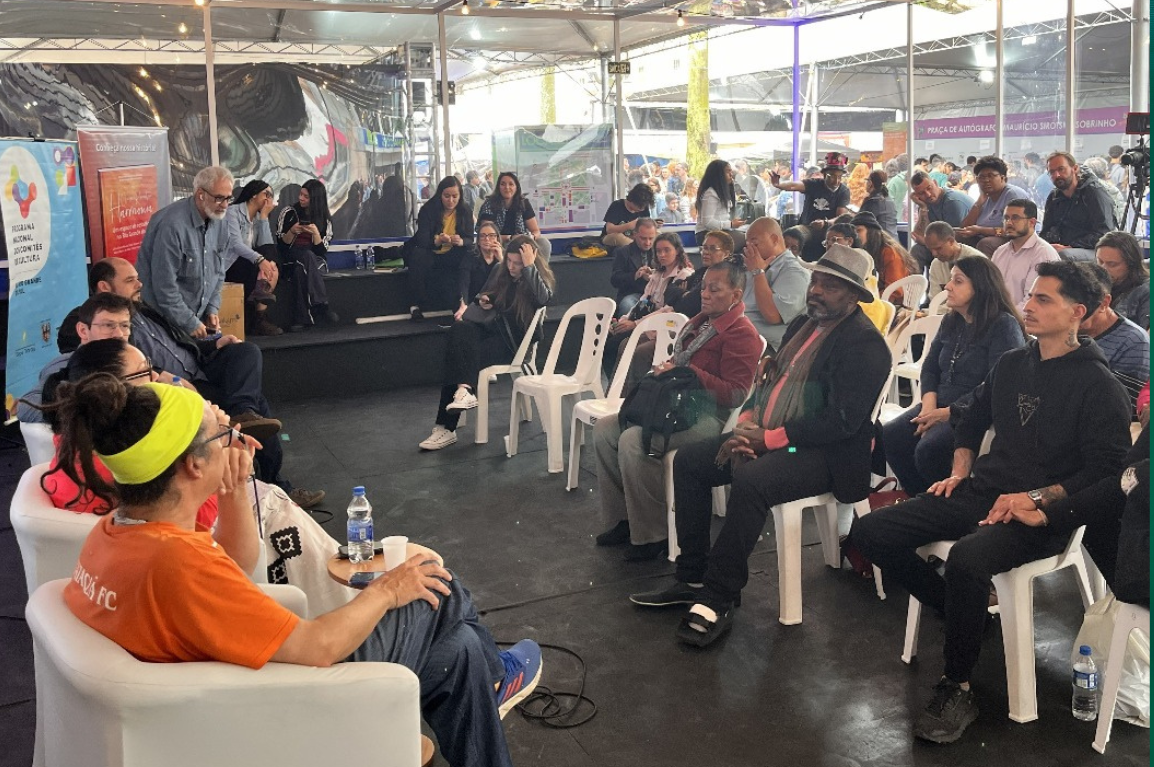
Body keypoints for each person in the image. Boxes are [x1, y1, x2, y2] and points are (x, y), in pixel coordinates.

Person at [54, 375, 541, 767]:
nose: (233, 440)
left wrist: (234, 487)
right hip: (286, 710)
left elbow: (238, 564)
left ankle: (488, 676)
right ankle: (500, 678)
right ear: (191, 467)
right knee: (438, 582)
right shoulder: (177, 564)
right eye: (222, 436)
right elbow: (319, 647)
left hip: (229, 699)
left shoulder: (118, 536)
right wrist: (389, 589)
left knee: (459, 657)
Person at [852, 259, 1132, 745]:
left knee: (967, 558)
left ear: (1076, 313)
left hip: (1041, 514)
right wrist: (960, 471)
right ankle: (959, 609)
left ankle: (957, 684)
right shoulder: (1012, 364)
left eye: (1044, 299)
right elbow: (968, 416)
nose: (1029, 305)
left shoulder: (1099, 386)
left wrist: (1037, 498)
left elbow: (1105, 475)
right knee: (871, 532)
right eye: (1031, 296)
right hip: (984, 491)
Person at [630, 244, 891, 647]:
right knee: (690, 462)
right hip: (775, 436)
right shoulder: (804, 323)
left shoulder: (865, 345)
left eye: (831, 286)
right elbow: (767, 385)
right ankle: (692, 575)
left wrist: (769, 440)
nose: (817, 290)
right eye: (816, 280)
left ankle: (719, 595)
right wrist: (748, 425)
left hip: (826, 454)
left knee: (751, 480)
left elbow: (840, 421)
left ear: (855, 295)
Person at [77, 258, 325, 509]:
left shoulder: (143, 310)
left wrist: (215, 343)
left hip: (201, 367)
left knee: (246, 352)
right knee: (256, 403)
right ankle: (273, 488)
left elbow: (180, 342)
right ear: (104, 287)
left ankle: (246, 417)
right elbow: (85, 363)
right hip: (179, 392)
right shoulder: (93, 324)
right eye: (130, 280)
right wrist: (167, 378)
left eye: (137, 278)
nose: (139, 284)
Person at [593, 261, 762, 562]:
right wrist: (670, 371)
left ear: (736, 295)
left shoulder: (741, 334)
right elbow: (680, 366)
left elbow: (735, 393)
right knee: (606, 429)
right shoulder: (697, 323)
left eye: (715, 289)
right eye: (704, 287)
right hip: (677, 406)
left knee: (634, 441)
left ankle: (653, 535)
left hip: (709, 418)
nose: (705, 294)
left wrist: (689, 374)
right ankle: (625, 520)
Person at [883, 256, 1026, 494]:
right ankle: (918, 498)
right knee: (892, 436)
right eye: (950, 280)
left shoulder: (1003, 325)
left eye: (957, 281)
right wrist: (929, 407)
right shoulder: (952, 320)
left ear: (980, 287)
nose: (947, 286)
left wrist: (946, 413)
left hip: (975, 410)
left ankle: (944, 505)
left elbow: (997, 385)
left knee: (928, 449)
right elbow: (929, 367)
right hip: (938, 404)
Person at [420, 236, 555, 451]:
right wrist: (485, 300)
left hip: (514, 346)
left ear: (531, 260)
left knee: (460, 355)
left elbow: (543, 298)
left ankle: (445, 426)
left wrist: (529, 268)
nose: (511, 267)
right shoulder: (501, 272)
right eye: (509, 261)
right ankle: (463, 392)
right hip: (491, 332)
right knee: (459, 331)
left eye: (518, 263)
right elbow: (487, 296)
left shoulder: (538, 279)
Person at [136, 166, 233, 339]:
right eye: (219, 198)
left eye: (228, 198)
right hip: (162, 322)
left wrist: (212, 308)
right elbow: (164, 287)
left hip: (197, 319)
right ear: (200, 194)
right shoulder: (172, 226)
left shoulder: (221, 222)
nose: (225, 205)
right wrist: (188, 322)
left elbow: (219, 272)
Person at [603, 233, 696, 378]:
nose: (662, 255)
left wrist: (635, 324)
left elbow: (669, 309)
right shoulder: (657, 274)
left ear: (677, 251)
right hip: (647, 323)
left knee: (623, 346)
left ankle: (628, 391)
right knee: (609, 341)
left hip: (665, 327)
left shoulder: (684, 275)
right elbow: (643, 301)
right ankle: (617, 389)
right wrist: (623, 320)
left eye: (666, 250)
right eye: (658, 251)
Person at [1078, 263, 1149, 408]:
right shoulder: (1058, 330)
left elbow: (1122, 408)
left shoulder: (1133, 342)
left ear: (1104, 302)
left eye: (1080, 303)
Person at [406, 176, 476, 322]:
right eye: (447, 196)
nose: (451, 200)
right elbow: (422, 240)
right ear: (440, 195)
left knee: (468, 254)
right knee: (418, 256)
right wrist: (438, 240)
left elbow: (470, 238)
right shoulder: (428, 210)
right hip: (430, 252)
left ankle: (463, 301)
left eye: (455, 196)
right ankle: (415, 304)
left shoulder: (465, 211)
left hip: (452, 254)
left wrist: (462, 241)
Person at [737, 218, 810, 352]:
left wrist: (758, 273)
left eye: (754, 242)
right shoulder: (755, 265)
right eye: (747, 243)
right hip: (738, 333)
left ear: (774, 239)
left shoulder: (794, 272)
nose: (749, 248)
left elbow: (773, 315)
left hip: (766, 346)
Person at [276, 179, 337, 330]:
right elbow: (280, 246)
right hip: (291, 257)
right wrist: (291, 232)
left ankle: (302, 318)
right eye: (300, 194)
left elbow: (322, 252)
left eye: (306, 196)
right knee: (304, 259)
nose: (301, 198)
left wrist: (316, 234)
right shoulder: (289, 213)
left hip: (315, 262)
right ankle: (321, 304)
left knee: (302, 266)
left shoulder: (325, 220)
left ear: (315, 200)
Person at [770, 152, 851, 262]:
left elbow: (841, 217)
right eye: (832, 176)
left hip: (829, 232)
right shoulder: (814, 184)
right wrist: (778, 185)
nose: (836, 181)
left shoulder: (843, 191)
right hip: (807, 227)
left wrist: (825, 223)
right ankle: (785, 263)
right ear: (824, 174)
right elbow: (794, 185)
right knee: (793, 234)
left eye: (839, 177)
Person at [225, 180, 282, 337]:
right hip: (230, 265)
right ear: (253, 195)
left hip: (248, 265)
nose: (268, 199)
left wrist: (263, 217)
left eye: (271, 196)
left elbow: (266, 246)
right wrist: (260, 260)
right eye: (266, 194)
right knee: (260, 261)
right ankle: (259, 310)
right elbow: (236, 245)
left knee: (272, 260)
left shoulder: (257, 218)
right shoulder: (232, 212)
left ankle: (259, 316)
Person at [1039, 151, 1117, 262]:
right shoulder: (1054, 196)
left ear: (1075, 169)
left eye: (1061, 169)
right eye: (1052, 172)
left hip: (1094, 249)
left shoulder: (1094, 193)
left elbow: (1104, 233)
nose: (1057, 175)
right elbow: (1046, 230)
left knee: (1063, 255)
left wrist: (1071, 246)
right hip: (1063, 248)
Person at [953, 156, 1030, 257]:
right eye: (981, 177)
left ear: (1003, 178)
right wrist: (978, 203)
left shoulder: (1012, 195)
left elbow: (1015, 229)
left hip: (1015, 238)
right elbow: (964, 227)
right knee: (955, 236)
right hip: (986, 236)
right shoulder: (985, 197)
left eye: (991, 176)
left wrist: (980, 230)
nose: (986, 180)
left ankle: (986, 273)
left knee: (986, 244)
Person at [990, 198, 1060, 309]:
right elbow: (990, 290)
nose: (1009, 223)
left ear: (1032, 222)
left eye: (1015, 218)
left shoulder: (1043, 253)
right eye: (1006, 218)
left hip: (1025, 321)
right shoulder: (1000, 252)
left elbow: (1034, 302)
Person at [908, 170, 975, 272]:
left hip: (963, 244)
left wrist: (926, 243)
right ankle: (915, 287)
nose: (928, 194)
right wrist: (923, 208)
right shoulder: (924, 204)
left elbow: (952, 239)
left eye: (929, 188)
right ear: (916, 196)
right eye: (921, 193)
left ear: (935, 183)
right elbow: (918, 235)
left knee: (944, 251)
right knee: (917, 251)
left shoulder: (952, 202)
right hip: (941, 244)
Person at [475, 172, 551, 260]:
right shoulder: (489, 204)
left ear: (516, 187)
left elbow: (536, 231)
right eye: (503, 184)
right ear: (498, 187)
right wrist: (510, 237)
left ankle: (537, 272)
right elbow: (487, 233)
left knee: (544, 243)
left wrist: (531, 237)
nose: (507, 187)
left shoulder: (524, 203)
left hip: (521, 241)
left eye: (511, 184)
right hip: (498, 242)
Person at [852, 210, 916, 297]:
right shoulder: (862, 252)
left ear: (871, 232)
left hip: (895, 304)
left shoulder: (890, 252)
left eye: (859, 230)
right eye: (854, 232)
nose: (856, 235)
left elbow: (895, 291)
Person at [1096, 230, 1149, 330]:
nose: (1103, 269)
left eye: (1112, 264)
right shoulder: (1092, 285)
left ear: (1131, 264)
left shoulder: (1146, 292)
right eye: (1100, 261)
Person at [453, 221, 503, 321]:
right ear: (478, 241)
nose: (487, 239)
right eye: (483, 236)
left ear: (497, 239)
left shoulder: (505, 258)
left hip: (497, 303)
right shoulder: (470, 256)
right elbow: (464, 282)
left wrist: (501, 259)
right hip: (475, 301)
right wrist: (463, 304)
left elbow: (510, 281)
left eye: (492, 235)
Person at [609, 218, 658, 317]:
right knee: (628, 305)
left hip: (657, 294)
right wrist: (635, 275)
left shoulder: (659, 250)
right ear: (635, 234)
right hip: (633, 293)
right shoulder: (623, 252)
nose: (647, 243)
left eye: (651, 238)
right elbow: (615, 280)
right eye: (643, 238)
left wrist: (654, 275)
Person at [923, 221, 986, 296]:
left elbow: (981, 297)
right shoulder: (936, 264)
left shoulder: (977, 260)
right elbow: (935, 298)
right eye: (930, 250)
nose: (934, 254)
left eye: (938, 248)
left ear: (951, 241)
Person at [694, 159, 745, 248]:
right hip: (706, 234)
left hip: (720, 231)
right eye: (727, 172)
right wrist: (731, 224)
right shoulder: (710, 194)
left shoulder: (721, 192)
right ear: (718, 175)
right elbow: (707, 222)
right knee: (746, 240)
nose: (731, 175)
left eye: (731, 172)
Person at [601, 183, 656, 250]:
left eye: (644, 207)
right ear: (632, 199)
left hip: (635, 237)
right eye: (639, 206)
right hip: (611, 237)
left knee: (657, 234)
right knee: (618, 237)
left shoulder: (644, 207)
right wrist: (629, 225)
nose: (642, 209)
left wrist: (655, 225)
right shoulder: (617, 205)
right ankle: (639, 249)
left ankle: (641, 248)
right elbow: (609, 230)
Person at [859, 169, 899, 239]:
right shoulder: (889, 200)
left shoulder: (872, 202)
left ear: (870, 183)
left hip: (880, 244)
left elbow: (859, 222)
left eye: (867, 180)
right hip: (894, 242)